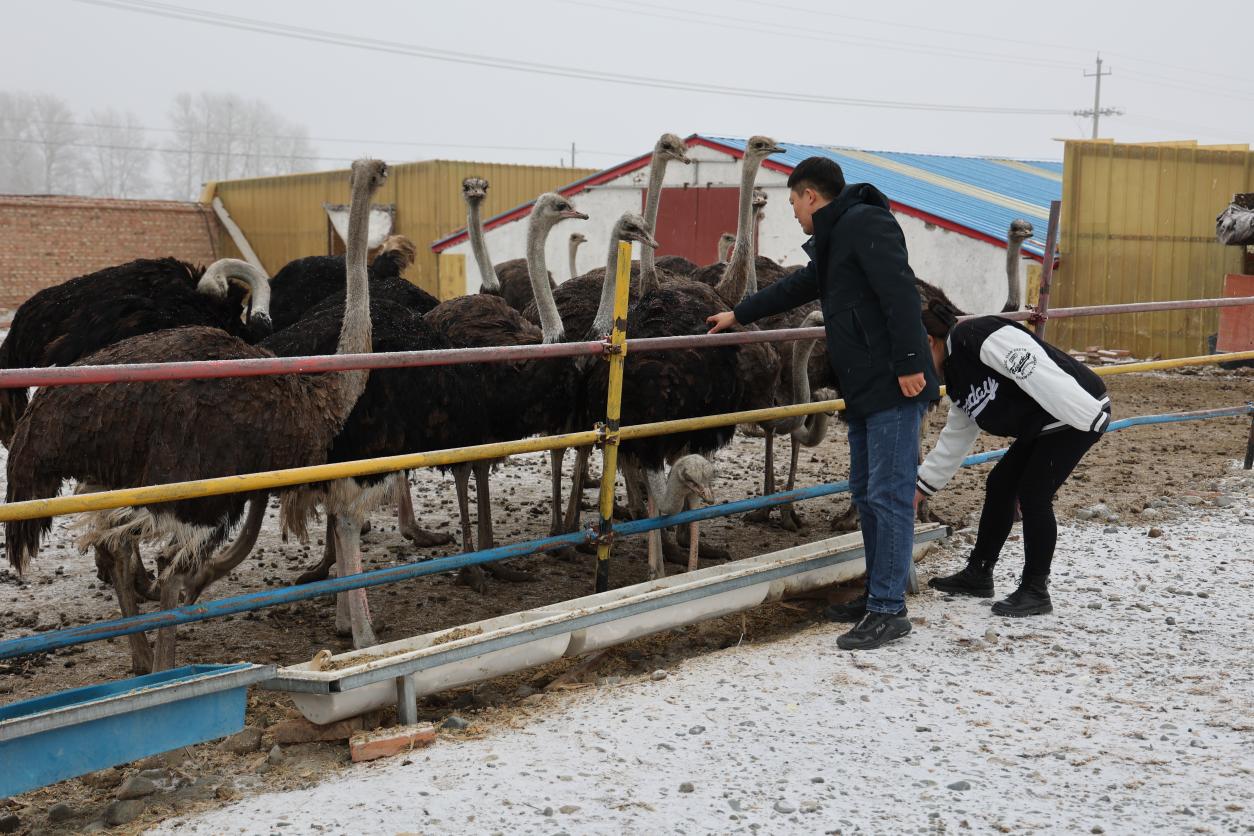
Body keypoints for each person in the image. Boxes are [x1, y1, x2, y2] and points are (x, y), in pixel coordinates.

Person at [708, 157, 938, 650]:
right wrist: (739, 313)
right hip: (864, 385)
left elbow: (900, 292)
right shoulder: (840, 234)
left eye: (793, 201)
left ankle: (889, 610)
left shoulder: (866, 223)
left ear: (810, 195)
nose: (792, 212)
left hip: (895, 384)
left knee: (889, 494)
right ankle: (878, 594)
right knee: (866, 491)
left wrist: (912, 362)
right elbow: (802, 284)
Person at [915, 300, 1111, 616]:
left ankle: (1035, 589)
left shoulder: (977, 335)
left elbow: (1035, 369)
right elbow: (957, 436)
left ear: (927, 342)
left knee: (1034, 494)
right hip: (1045, 422)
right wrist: (921, 488)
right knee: (1001, 483)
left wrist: (1088, 415)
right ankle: (979, 573)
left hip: (1076, 411)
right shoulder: (956, 375)